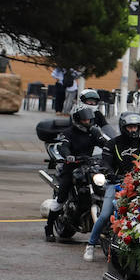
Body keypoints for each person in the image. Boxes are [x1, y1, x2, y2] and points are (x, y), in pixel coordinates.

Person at [84, 111, 140, 262]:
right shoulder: (112, 144)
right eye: (130, 127)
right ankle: (91, 245)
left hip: (139, 186)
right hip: (116, 184)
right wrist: (109, 173)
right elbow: (105, 162)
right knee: (106, 214)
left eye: (136, 127)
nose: (133, 130)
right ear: (123, 127)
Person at [44, 103, 108, 242]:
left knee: (104, 186)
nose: (87, 122)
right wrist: (68, 156)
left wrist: (112, 151)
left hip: (89, 166)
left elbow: (105, 144)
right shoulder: (68, 133)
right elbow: (63, 146)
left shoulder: (94, 132)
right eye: (84, 120)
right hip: (71, 166)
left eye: (89, 120)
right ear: (77, 119)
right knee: (61, 198)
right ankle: (49, 227)